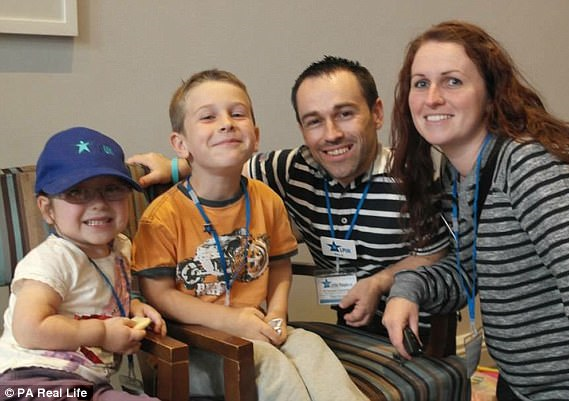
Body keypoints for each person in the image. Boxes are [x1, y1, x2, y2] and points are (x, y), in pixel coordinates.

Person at [383, 20, 569, 401]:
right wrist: (407, 288)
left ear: (491, 93)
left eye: (452, 81)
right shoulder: (459, 171)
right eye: (421, 83)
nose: (432, 98)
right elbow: (472, 269)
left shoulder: (533, 168)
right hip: (519, 385)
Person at [127, 56, 449, 347]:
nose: (331, 134)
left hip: (415, 330)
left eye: (345, 114)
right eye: (314, 121)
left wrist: (378, 283)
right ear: (302, 128)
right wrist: (174, 166)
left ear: (376, 113)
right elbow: (225, 163)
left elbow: (437, 252)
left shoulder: (412, 177)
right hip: (345, 326)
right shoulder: (292, 169)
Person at [131, 69, 367, 400]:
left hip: (258, 328)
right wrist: (231, 321)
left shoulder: (266, 200)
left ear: (255, 137)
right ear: (180, 144)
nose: (226, 123)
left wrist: (277, 313)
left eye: (237, 114)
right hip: (194, 349)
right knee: (269, 363)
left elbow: (280, 265)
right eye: (208, 117)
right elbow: (159, 294)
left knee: (311, 346)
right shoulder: (162, 217)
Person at [0, 126, 166, 400]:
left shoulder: (121, 247)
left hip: (83, 383)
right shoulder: (51, 260)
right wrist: (102, 333)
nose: (98, 203)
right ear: (47, 209)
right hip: (30, 380)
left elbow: (103, 296)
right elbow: (29, 328)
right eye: (77, 193)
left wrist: (134, 307)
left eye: (112, 189)